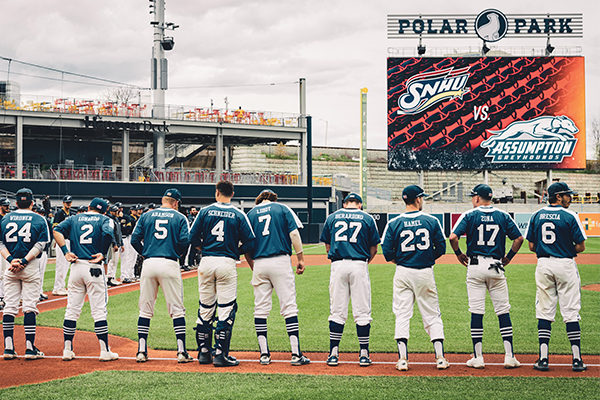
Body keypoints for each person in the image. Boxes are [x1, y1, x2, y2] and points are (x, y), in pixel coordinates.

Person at [449, 184, 523, 369]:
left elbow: (452, 237)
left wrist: (458, 253)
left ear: (476, 198)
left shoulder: (469, 215)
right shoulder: (503, 215)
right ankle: (509, 356)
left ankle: (478, 357)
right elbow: (519, 238)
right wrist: (508, 258)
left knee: (476, 311)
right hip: (496, 265)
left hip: (475, 265)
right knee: (503, 311)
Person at [381, 185, 449, 371]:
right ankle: (440, 358)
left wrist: (402, 261)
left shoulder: (394, 223)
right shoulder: (431, 220)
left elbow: (387, 252)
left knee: (402, 314)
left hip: (403, 270)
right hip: (425, 271)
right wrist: (425, 258)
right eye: (422, 198)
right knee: (432, 314)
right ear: (418, 199)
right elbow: (441, 248)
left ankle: (402, 359)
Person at [190, 180, 255, 367]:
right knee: (226, 309)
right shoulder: (238, 214)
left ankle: (203, 352)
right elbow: (250, 242)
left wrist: (203, 248)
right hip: (227, 261)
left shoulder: (204, 211)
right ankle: (220, 354)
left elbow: (191, 237)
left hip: (207, 260)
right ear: (232, 194)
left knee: (205, 308)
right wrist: (235, 250)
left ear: (216, 192)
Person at [526, 182, 588, 372]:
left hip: (544, 264)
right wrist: (563, 248)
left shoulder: (536, 215)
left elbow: (530, 246)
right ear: (558, 197)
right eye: (567, 195)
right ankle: (576, 360)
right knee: (570, 311)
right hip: (565, 264)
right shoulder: (570, 215)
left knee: (544, 311)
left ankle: (543, 359)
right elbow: (581, 246)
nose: (570, 198)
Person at [244, 189, 310, 366]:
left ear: (259, 200)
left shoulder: (250, 214)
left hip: (259, 262)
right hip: (280, 260)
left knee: (260, 309)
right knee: (289, 307)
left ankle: (264, 354)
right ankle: (296, 354)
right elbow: (294, 234)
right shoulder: (282, 208)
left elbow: (245, 245)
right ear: (273, 198)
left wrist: (254, 267)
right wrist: (301, 258)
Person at [130, 188, 193, 364]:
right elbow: (184, 241)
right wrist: (177, 254)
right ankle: (181, 352)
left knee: (145, 309)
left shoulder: (147, 215)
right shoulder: (180, 217)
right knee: (177, 309)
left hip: (149, 262)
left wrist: (145, 253)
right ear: (176, 203)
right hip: (169, 262)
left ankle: (141, 351)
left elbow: (135, 239)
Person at [53, 198, 119, 362]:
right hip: (93, 267)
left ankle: (67, 349)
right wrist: (102, 253)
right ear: (104, 210)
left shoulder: (75, 218)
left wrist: (65, 251)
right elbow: (108, 233)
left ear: (89, 207)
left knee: (72, 309)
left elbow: (56, 230)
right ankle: (104, 351)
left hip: (76, 266)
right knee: (98, 310)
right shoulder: (105, 219)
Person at [319, 193, 380, 367]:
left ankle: (333, 353)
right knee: (362, 311)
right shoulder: (367, 218)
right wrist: (364, 261)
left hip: (338, 265)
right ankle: (363, 354)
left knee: (337, 311)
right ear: (359, 204)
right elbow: (374, 247)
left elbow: (328, 245)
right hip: (359, 264)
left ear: (345, 204)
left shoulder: (332, 217)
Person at [0, 188, 50, 360]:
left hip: (11, 266)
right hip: (29, 265)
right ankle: (29, 348)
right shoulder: (39, 218)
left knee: (10, 307)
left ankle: (8, 347)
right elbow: (41, 244)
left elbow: (0, 243)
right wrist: (24, 261)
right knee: (29, 307)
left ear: (15, 203)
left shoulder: (5, 218)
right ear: (31, 203)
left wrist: (12, 260)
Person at [52, 195, 74, 296]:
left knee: (65, 265)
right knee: (61, 265)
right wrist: (56, 241)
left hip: (68, 240)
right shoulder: (59, 213)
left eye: (69, 202)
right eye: (66, 202)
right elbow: (55, 228)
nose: (68, 204)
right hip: (62, 240)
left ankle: (61, 286)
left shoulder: (71, 214)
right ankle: (57, 287)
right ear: (63, 203)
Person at [32, 204, 52, 301]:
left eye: (42, 213)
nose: (41, 214)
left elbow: (50, 236)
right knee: (34, 273)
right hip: (34, 251)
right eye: (39, 212)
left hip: (43, 251)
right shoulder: (33, 221)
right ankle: (35, 293)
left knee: (41, 272)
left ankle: (39, 291)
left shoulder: (46, 221)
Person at [106, 205, 124, 286]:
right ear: (111, 212)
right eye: (116, 211)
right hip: (113, 243)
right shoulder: (110, 219)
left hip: (118, 242)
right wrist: (114, 244)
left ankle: (112, 277)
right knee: (112, 261)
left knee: (115, 261)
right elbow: (112, 233)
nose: (117, 212)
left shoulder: (116, 219)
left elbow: (119, 233)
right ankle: (109, 278)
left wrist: (121, 243)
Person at [0, 197, 10, 310]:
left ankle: (3, 297)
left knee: (4, 273)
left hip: (5, 248)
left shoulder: (7, 218)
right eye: (5, 205)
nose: (7, 207)